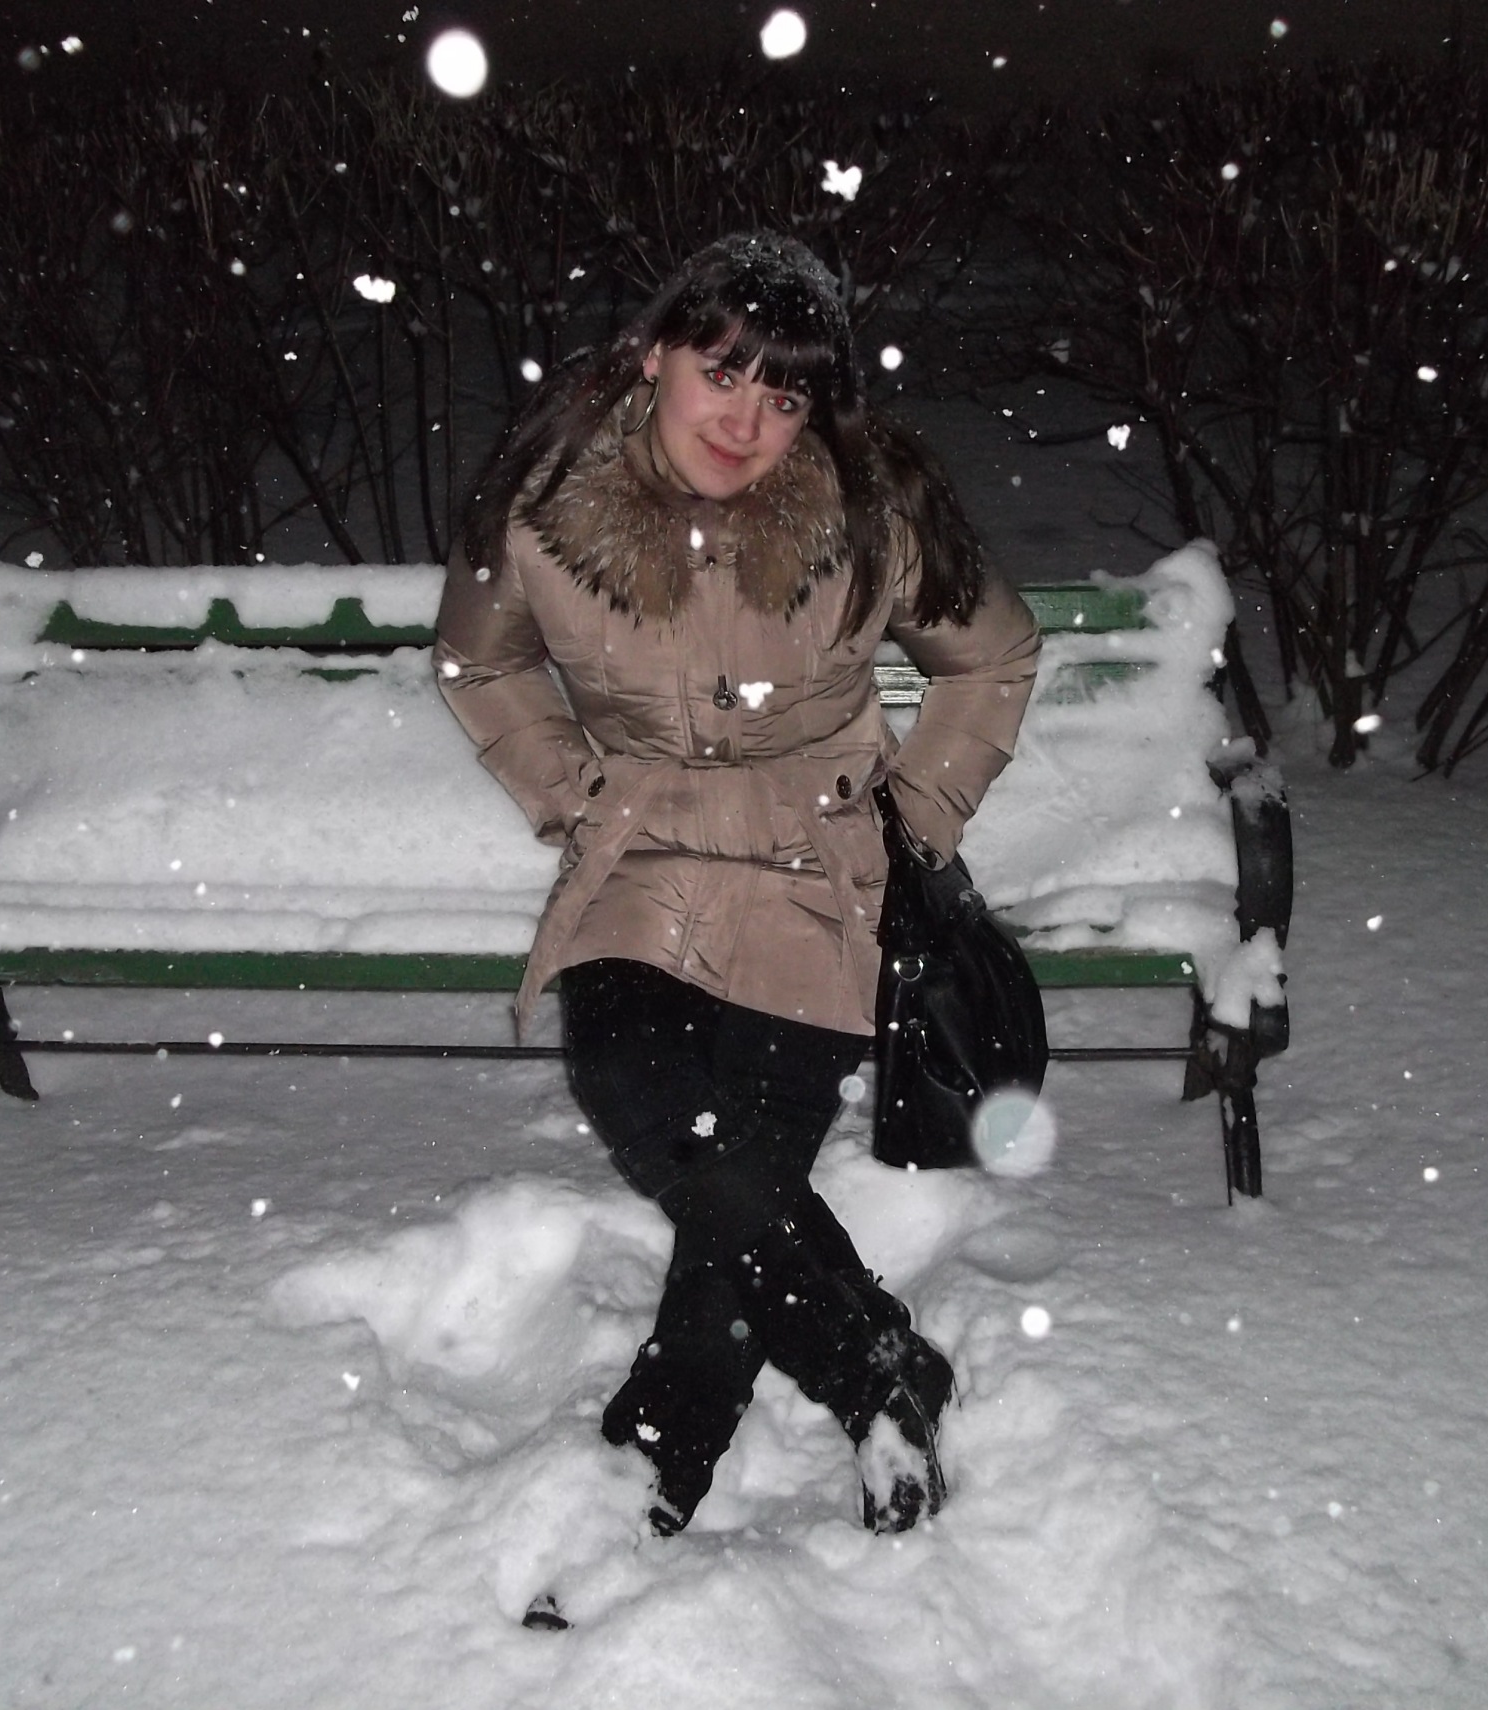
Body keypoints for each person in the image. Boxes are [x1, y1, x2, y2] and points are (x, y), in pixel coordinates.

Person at [434, 232, 1040, 1538]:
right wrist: (569, 791)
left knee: (736, 1171)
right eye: (723, 372)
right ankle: (879, 1366)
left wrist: (914, 817)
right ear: (656, 354)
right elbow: (478, 662)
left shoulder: (865, 509)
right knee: (646, 1095)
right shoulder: (547, 504)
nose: (747, 420)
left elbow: (993, 658)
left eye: (786, 393)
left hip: (814, 875)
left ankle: (656, 1454)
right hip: (640, 868)